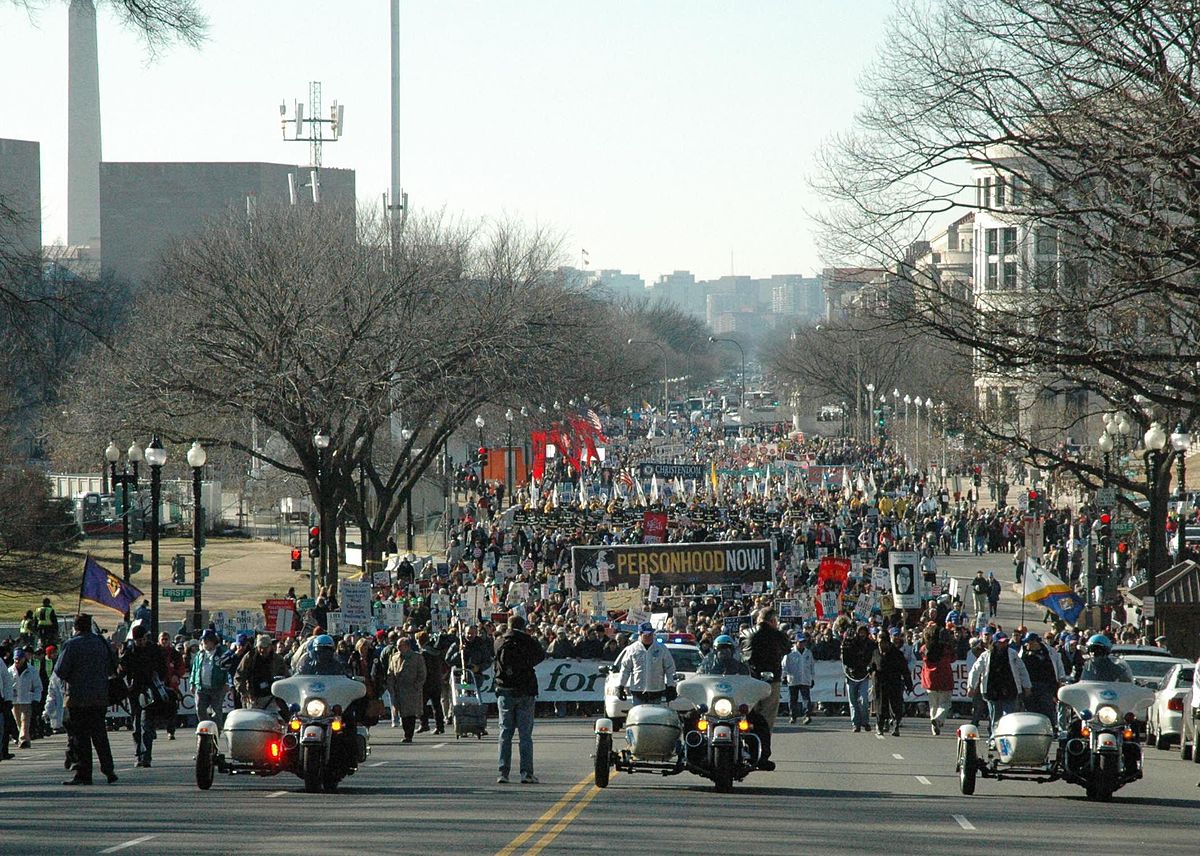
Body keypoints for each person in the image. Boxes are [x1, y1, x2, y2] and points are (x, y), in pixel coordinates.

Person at [53, 614, 119, 785]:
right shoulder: (101, 642)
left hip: (78, 697)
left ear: (75, 627)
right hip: (100, 696)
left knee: (80, 738)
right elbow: (113, 666)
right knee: (100, 736)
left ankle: (84, 773)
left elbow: (60, 670)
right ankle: (108, 769)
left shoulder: (72, 645)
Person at [494, 614, 545, 784]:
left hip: (504, 690)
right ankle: (526, 773)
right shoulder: (529, 641)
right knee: (525, 735)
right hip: (525, 690)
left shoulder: (499, 641)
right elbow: (541, 656)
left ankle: (503, 772)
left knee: (505, 733)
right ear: (523, 626)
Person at [119, 623, 167, 767]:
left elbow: (162, 668)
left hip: (149, 690)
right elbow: (121, 672)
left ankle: (147, 756)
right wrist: (121, 660)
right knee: (136, 724)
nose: (141, 642)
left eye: (142, 639)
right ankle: (139, 754)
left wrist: (158, 679)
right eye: (138, 640)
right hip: (134, 690)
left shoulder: (153, 650)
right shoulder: (129, 651)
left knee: (146, 724)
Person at [967, 633, 1031, 733]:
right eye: (1001, 642)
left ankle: (1007, 736)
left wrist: (1027, 686)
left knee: (1009, 716)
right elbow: (975, 670)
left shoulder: (1012, 654)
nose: (1003, 644)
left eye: (1005, 642)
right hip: (992, 690)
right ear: (995, 643)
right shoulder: (986, 655)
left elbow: (1022, 670)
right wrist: (971, 686)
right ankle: (994, 738)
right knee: (995, 717)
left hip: (1010, 689)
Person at [617, 623, 678, 704]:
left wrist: (671, 686)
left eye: (650, 634)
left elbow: (670, 669)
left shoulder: (661, 649)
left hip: (656, 691)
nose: (649, 636)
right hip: (638, 691)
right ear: (640, 634)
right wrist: (620, 686)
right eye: (646, 634)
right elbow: (625, 669)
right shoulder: (633, 649)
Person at [871, 631, 914, 736]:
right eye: (879, 642)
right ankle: (880, 725)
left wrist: (909, 684)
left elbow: (904, 670)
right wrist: (870, 669)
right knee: (880, 706)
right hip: (880, 684)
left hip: (894, 683)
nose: (881, 645)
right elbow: (872, 665)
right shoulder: (875, 653)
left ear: (887, 642)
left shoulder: (897, 654)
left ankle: (896, 726)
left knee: (895, 706)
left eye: (883, 643)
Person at [386, 636, 426, 743]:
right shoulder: (394, 657)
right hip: (399, 689)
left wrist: (417, 685)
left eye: (400, 646)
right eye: (397, 646)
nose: (398, 648)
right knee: (402, 713)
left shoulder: (416, 657)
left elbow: (422, 673)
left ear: (407, 646)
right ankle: (406, 733)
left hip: (411, 690)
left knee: (410, 714)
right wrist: (391, 686)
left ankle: (409, 735)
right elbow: (390, 673)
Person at [1018, 632, 1065, 720]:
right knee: (1030, 713)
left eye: (1029, 643)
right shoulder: (1023, 653)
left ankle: (1051, 730)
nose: (1027, 645)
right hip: (1029, 688)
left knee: (1047, 713)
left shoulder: (1050, 652)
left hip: (1046, 688)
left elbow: (1059, 669)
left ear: (1035, 642)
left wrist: (1060, 684)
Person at [235, 635, 289, 709]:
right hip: (252, 696)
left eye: (265, 647)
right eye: (260, 647)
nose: (262, 650)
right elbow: (239, 675)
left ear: (270, 646)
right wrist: (243, 692)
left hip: (271, 697)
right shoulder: (249, 657)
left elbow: (286, 676)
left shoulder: (278, 659)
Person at [191, 629, 231, 729]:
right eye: (203, 640)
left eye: (207, 640)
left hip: (217, 687)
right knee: (200, 709)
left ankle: (217, 729)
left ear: (213, 641)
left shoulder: (222, 653)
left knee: (216, 710)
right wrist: (192, 683)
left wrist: (227, 683)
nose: (204, 642)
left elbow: (228, 670)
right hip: (201, 687)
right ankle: (205, 728)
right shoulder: (200, 654)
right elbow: (195, 669)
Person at [921, 622, 955, 735]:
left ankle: (934, 727)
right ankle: (938, 720)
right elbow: (953, 658)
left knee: (933, 704)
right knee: (945, 704)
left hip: (930, 679)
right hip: (944, 676)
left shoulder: (925, 648)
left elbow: (920, 652)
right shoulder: (946, 648)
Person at [841, 624, 874, 733]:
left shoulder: (870, 644)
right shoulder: (850, 643)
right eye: (860, 632)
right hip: (851, 675)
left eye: (864, 632)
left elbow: (873, 657)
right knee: (853, 701)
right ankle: (855, 723)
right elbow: (844, 658)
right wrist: (845, 643)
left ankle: (865, 721)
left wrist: (870, 667)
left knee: (864, 699)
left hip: (863, 675)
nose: (862, 634)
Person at [415, 630, 447, 734]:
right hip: (437, 681)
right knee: (437, 705)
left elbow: (423, 669)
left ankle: (424, 724)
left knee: (421, 704)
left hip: (426, 682)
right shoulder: (436, 652)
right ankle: (440, 726)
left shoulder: (423, 653)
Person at [782, 633, 814, 724]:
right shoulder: (790, 653)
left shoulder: (808, 652)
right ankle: (793, 716)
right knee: (793, 699)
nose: (802, 644)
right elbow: (784, 665)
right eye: (800, 642)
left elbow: (811, 666)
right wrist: (784, 676)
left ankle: (807, 715)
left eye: (804, 642)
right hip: (793, 679)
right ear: (796, 642)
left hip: (805, 679)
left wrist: (812, 678)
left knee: (806, 698)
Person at [158, 632, 185, 739]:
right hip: (157, 684)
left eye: (166, 639)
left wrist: (177, 675)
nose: (164, 641)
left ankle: (171, 731)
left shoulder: (175, 653)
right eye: (162, 639)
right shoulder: (155, 652)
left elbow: (181, 667)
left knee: (172, 709)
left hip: (171, 686)